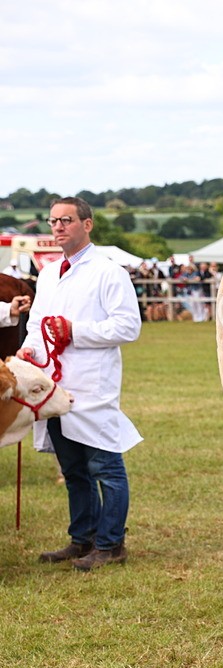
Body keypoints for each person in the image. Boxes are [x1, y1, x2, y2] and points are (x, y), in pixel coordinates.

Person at [20, 197, 142, 572]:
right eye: (53, 221)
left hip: (92, 382)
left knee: (104, 464)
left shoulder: (109, 272)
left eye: (66, 220)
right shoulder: (48, 273)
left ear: (87, 225)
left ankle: (111, 543)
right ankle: (83, 538)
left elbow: (128, 326)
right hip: (54, 385)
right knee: (72, 469)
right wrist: (28, 352)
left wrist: (76, 331)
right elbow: (36, 324)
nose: (58, 227)